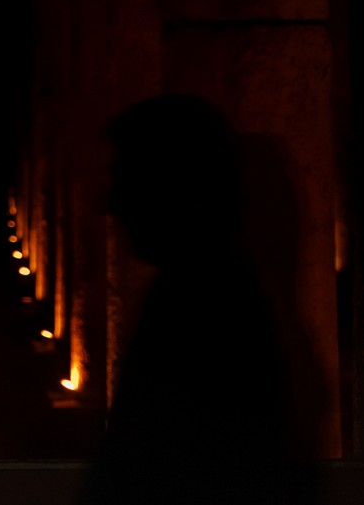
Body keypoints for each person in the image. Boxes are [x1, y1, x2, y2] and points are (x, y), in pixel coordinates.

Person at [82, 95, 315, 505]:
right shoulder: (198, 295)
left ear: (176, 190)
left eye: (127, 178)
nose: (111, 203)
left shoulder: (202, 317)